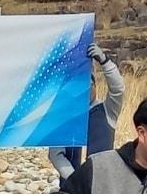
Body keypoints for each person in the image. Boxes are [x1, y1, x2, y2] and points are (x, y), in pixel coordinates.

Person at [48, 43, 124, 183]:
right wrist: (74, 180)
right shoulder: (62, 116)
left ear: (95, 86)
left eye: (88, 85)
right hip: (71, 186)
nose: (85, 90)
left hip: (101, 184)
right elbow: (55, 154)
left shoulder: (108, 109)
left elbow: (118, 89)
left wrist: (105, 61)